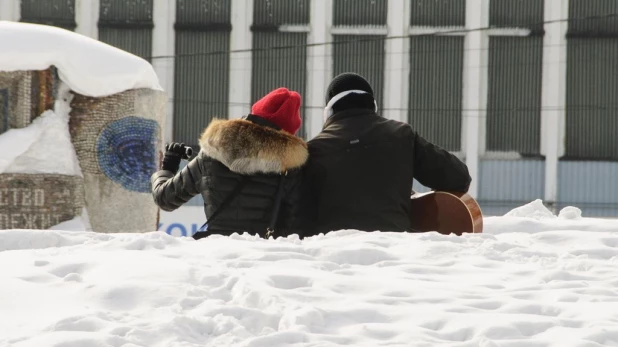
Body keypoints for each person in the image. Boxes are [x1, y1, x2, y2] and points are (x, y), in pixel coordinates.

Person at [299, 72, 471, 237]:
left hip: (333, 256)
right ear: (373, 105)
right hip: (391, 250)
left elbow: (297, 215)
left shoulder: (313, 150)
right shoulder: (401, 134)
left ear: (328, 113)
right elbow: (459, 177)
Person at [151, 88, 308, 240]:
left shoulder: (212, 152)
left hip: (218, 253)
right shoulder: (289, 168)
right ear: (288, 134)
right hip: (261, 256)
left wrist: (168, 166)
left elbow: (165, 198)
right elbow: (294, 225)